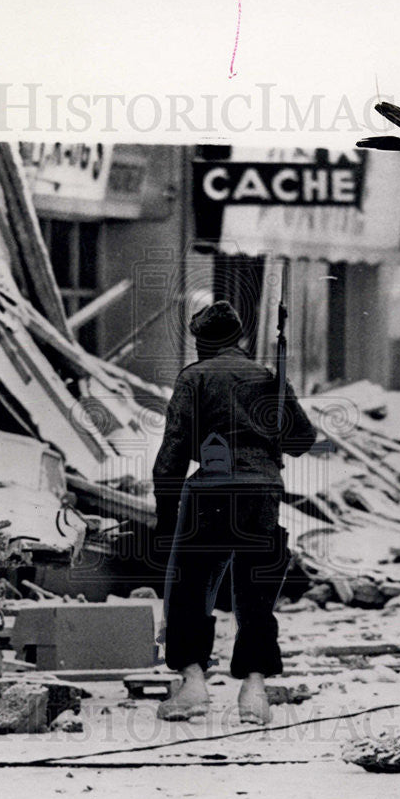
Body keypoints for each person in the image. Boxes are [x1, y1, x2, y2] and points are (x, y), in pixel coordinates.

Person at [152, 300, 317, 724]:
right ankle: (254, 693)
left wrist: (166, 513)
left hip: (212, 489)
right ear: (239, 339)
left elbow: (173, 450)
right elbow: (302, 440)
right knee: (256, 592)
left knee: (189, 587)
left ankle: (192, 685)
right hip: (263, 492)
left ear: (202, 341)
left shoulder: (195, 377)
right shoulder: (267, 377)